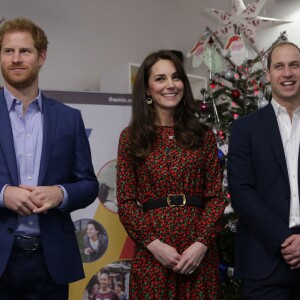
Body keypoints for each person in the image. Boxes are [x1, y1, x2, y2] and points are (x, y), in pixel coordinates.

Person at [0, 17, 99, 299]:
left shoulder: (69, 119)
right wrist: (3, 194)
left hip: (52, 262)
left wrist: (60, 193)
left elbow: (89, 184)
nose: (16, 58)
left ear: (41, 57)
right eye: (8, 51)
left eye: (25, 51)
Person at [116, 50, 225, 299]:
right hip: (154, 253)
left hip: (198, 253)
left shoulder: (203, 136)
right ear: (146, 88)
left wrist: (201, 244)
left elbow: (216, 198)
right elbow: (126, 201)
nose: (170, 85)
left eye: (175, 77)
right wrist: (155, 245)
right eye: (160, 78)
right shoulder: (131, 137)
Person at [227, 41, 300, 299]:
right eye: (279, 66)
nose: (287, 73)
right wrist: (285, 238)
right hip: (263, 262)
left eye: (294, 65)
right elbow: (241, 191)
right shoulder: (245, 129)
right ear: (268, 74)